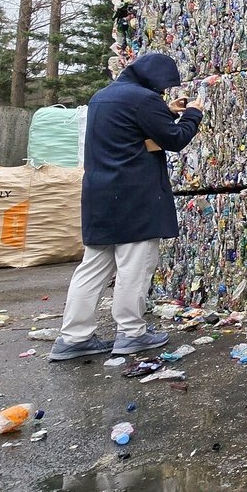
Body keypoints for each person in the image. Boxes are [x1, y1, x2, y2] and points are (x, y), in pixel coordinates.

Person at [50, 53, 205, 361]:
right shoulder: (143, 99)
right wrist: (192, 115)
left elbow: (131, 130)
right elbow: (173, 138)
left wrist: (166, 111)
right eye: (162, 88)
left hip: (99, 195)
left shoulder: (103, 97)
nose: (162, 93)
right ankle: (132, 333)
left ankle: (73, 337)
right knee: (134, 267)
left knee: (92, 269)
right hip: (135, 196)